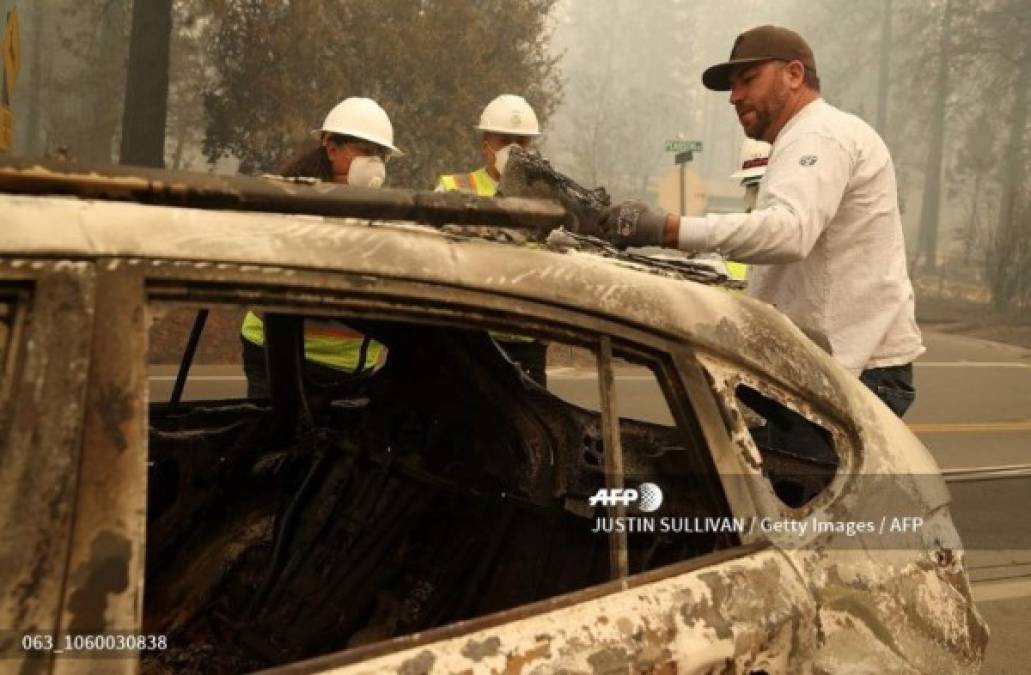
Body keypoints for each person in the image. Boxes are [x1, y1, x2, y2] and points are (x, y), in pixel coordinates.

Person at [599, 25, 923, 417]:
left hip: (854, 371)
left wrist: (669, 229)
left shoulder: (819, 134)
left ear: (794, 75)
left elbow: (789, 233)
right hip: (826, 365)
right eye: (733, 87)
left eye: (749, 80)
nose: (735, 97)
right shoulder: (802, 138)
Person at [240, 97, 402, 398]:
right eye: (367, 151)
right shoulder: (294, 201)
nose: (376, 162)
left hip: (352, 368)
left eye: (382, 154)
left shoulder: (382, 211)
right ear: (331, 149)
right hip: (280, 358)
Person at [435, 94, 549, 386]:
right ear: (485, 143)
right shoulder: (453, 189)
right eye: (504, 140)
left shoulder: (548, 198)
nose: (513, 150)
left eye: (521, 142)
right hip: (470, 342)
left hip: (527, 342)